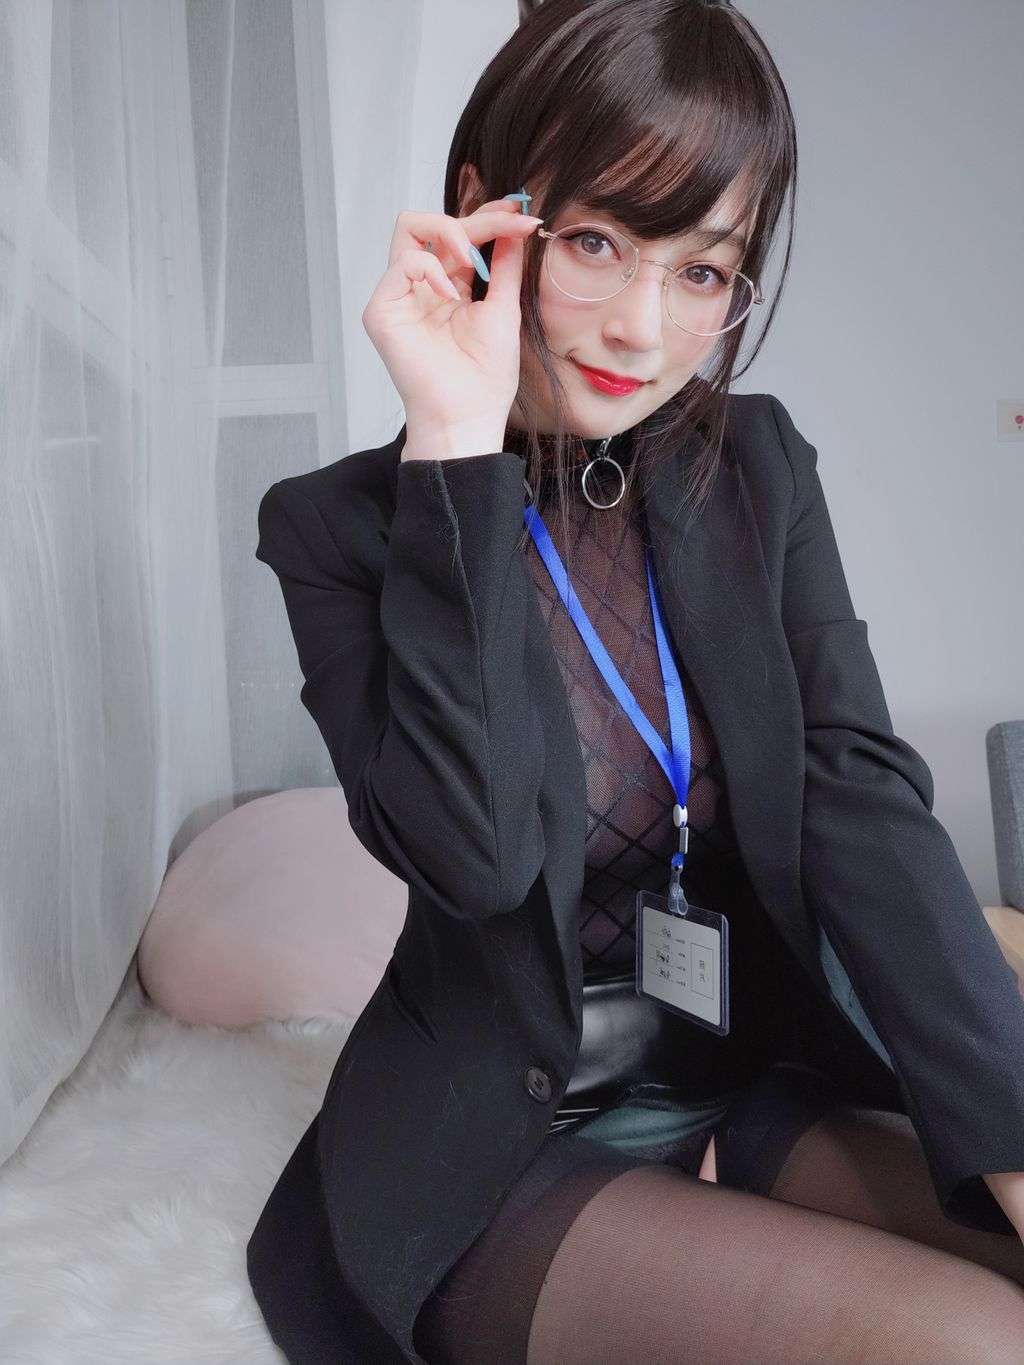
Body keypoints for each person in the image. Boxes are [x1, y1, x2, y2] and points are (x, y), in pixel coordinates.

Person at [246, 2, 1024, 1360]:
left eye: (704, 271)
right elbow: (480, 856)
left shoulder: (758, 469)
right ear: (485, 214)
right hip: (504, 1145)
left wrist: (1015, 1137)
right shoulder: (340, 528)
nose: (643, 329)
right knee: (973, 1341)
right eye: (596, 242)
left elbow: (863, 811)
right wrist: (456, 443)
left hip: (745, 1077)